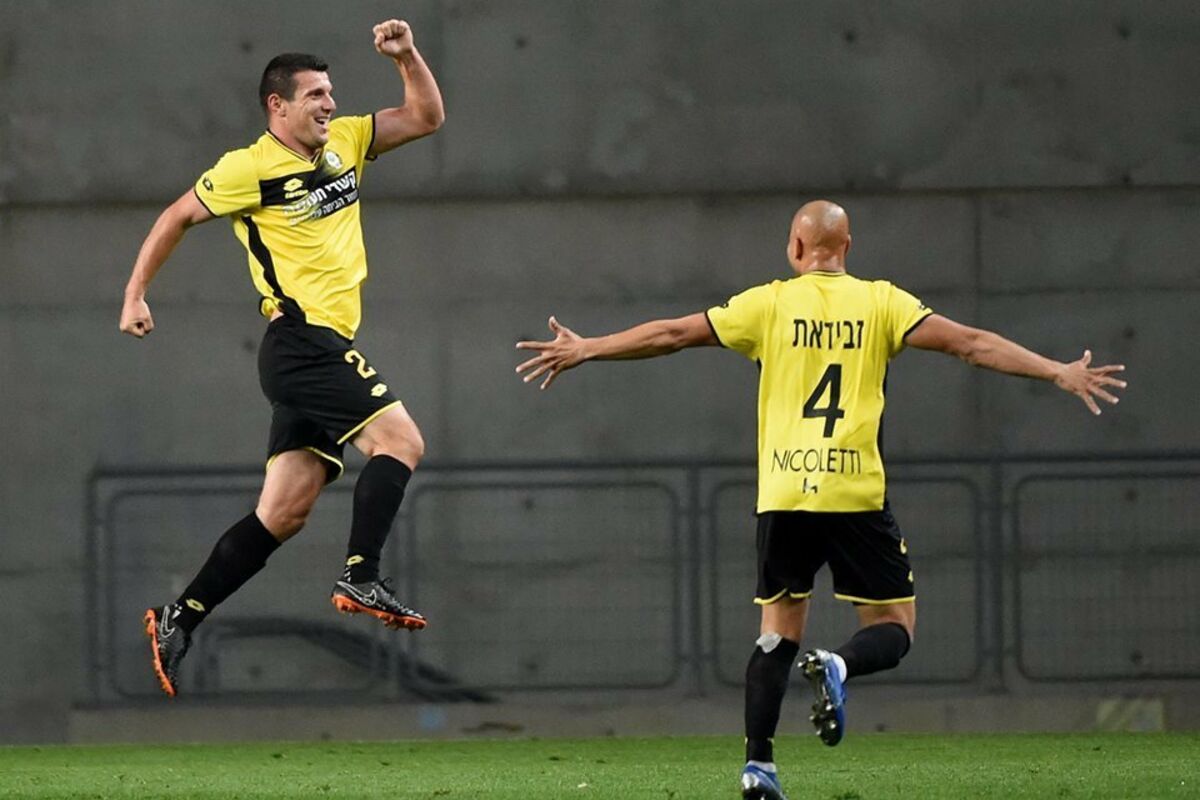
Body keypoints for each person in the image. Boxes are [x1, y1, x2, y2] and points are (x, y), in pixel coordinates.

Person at [514, 200, 1126, 800]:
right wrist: (1056, 371)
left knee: (776, 634)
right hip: (854, 491)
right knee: (894, 627)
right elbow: (969, 343)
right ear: (848, 247)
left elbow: (672, 333)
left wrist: (589, 347)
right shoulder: (883, 302)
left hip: (784, 493)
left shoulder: (769, 304)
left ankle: (758, 766)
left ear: (796, 247)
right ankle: (840, 665)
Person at [118, 19, 445, 698]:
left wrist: (407, 56)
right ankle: (361, 574)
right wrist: (135, 293)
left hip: (322, 347)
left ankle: (181, 616)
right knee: (401, 441)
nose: (330, 103)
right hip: (302, 342)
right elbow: (176, 216)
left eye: (331, 92)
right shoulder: (248, 168)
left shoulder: (347, 140)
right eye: (316, 94)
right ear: (279, 105)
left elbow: (425, 117)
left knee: (284, 513)